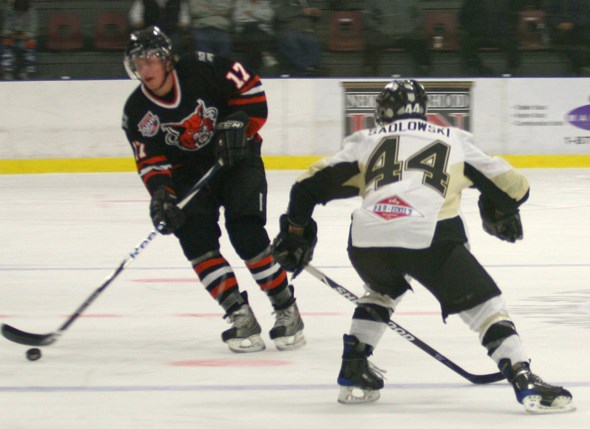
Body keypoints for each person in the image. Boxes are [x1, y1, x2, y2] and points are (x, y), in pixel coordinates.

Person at [272, 79, 575, 413]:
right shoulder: (454, 139)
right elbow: (515, 187)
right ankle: (523, 376)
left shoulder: (365, 140)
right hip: (430, 237)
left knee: (380, 290)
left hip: (366, 241)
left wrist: (296, 231)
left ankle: (354, 368)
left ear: (384, 111)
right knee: (486, 305)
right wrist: (500, 208)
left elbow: (305, 187)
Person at [121, 26, 305, 353]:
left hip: (237, 160)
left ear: (167, 59)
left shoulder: (203, 67)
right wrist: (162, 195)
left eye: (151, 59)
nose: (145, 68)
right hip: (188, 179)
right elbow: (151, 162)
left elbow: (251, 89)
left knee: (246, 234)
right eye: (139, 62)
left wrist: (239, 122)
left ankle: (286, 307)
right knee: (196, 242)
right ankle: (239, 315)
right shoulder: (136, 111)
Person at [361, 0, 432, 77]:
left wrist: (411, 28)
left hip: (408, 34)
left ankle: (425, 72)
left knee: (420, 43)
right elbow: (366, 16)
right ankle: (368, 73)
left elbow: (421, 14)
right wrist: (379, 28)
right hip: (382, 34)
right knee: (372, 43)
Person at [458, 0, 523, 76]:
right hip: (494, 34)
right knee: (466, 44)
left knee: (513, 43)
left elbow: (463, 18)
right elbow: (463, 17)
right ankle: (510, 72)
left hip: (489, 34)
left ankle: (511, 71)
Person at [274, 0, 324, 76]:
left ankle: (310, 68)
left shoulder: (306, 3)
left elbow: (315, 20)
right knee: (291, 41)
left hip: (306, 32)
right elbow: (281, 16)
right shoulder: (282, 3)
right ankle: (308, 68)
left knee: (312, 42)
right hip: (288, 31)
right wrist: (302, 12)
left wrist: (316, 14)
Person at [232, 0, 278, 75]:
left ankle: (253, 72)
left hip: (263, 32)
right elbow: (237, 18)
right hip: (243, 32)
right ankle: (265, 54)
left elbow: (269, 17)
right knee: (251, 27)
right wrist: (258, 17)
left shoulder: (266, 2)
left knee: (253, 30)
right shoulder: (240, 2)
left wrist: (251, 13)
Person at [545, 0, 590, 76]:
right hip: (558, 33)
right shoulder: (553, 2)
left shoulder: (584, 2)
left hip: (579, 32)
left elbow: (586, 16)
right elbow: (549, 16)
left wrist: (572, 24)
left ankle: (579, 68)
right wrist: (558, 24)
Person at [1, 0, 37, 80]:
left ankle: (26, 72)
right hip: (12, 38)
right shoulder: (9, 11)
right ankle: (7, 72)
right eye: (18, 11)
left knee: (31, 43)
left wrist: (24, 36)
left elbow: (33, 32)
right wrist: (11, 34)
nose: (19, 13)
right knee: (6, 43)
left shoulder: (32, 13)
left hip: (25, 39)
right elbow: (5, 30)